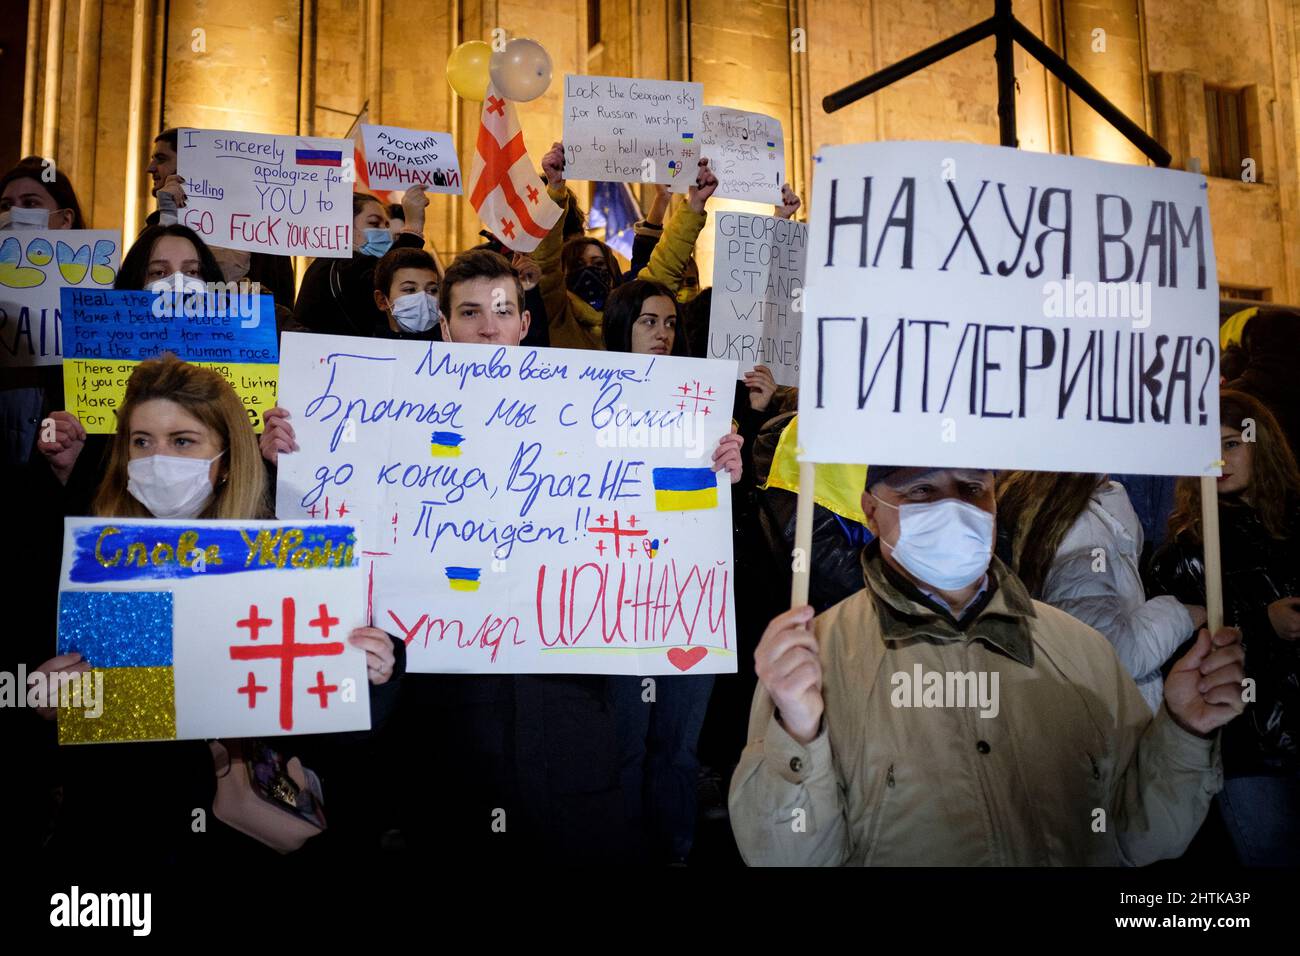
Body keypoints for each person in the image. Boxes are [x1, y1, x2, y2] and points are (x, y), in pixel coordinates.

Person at [262, 249, 740, 863]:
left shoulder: (589, 408)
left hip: (566, 706)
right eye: (469, 313)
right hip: (445, 714)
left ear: (522, 324)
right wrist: (287, 468)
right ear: (444, 326)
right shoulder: (380, 411)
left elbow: (652, 503)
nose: (487, 328)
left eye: (501, 311)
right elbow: (327, 534)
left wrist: (714, 465)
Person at [729, 463, 1246, 866]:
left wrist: (1182, 732)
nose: (955, 507)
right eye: (921, 491)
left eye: (974, 487)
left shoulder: (1081, 650)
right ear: (870, 508)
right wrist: (797, 735)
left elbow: (1142, 839)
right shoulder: (814, 660)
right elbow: (785, 856)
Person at [28, 355, 400, 861]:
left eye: (183, 441)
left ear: (225, 458)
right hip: (121, 834)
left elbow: (336, 737)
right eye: (142, 442)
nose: (158, 459)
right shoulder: (89, 559)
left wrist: (371, 674)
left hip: (244, 845)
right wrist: (46, 704)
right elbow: (60, 721)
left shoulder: (291, 562)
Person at [600, 277, 743, 863]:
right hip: (615, 600)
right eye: (647, 322)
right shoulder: (584, 399)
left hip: (688, 600)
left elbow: (721, 510)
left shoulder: (705, 404)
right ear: (620, 329)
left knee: (678, 747)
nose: (662, 333)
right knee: (625, 747)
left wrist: (736, 465)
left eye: (669, 323)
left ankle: (676, 853)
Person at [1149, 390, 1300, 865]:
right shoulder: (1187, 550)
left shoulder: (1293, 524)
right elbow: (1181, 658)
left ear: (1263, 445)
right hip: (1249, 749)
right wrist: (1262, 623)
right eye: (1207, 449)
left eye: (1232, 443)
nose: (1219, 459)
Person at [996, 471, 1205, 713]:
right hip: (1109, 716)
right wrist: (1181, 614)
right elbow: (1106, 653)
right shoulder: (1083, 530)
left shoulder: (1083, 508)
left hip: (1112, 709)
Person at [534, 143, 717, 350]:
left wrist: (694, 206)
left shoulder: (628, 312)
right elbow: (545, 264)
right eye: (578, 265)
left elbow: (664, 269)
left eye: (599, 264)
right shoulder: (556, 314)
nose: (589, 273)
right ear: (563, 273)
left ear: (612, 272)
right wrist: (555, 190)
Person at [0, 156, 90, 468]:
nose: (14, 213)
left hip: (63, 467)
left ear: (64, 220)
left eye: (30, 202)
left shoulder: (96, 295)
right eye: (5, 205)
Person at [145, 128, 297, 311]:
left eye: (161, 159)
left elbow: (281, 304)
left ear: (191, 163)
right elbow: (138, 288)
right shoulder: (155, 226)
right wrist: (167, 216)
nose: (150, 168)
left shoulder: (264, 234)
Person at [292, 186, 429, 337]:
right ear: (346, 227)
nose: (384, 232)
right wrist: (413, 227)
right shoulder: (342, 266)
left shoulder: (330, 264)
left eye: (386, 225)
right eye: (374, 223)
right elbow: (393, 278)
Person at [370, 246, 441, 341]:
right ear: (382, 300)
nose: (423, 298)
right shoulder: (366, 349)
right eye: (410, 289)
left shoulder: (453, 345)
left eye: (432, 290)